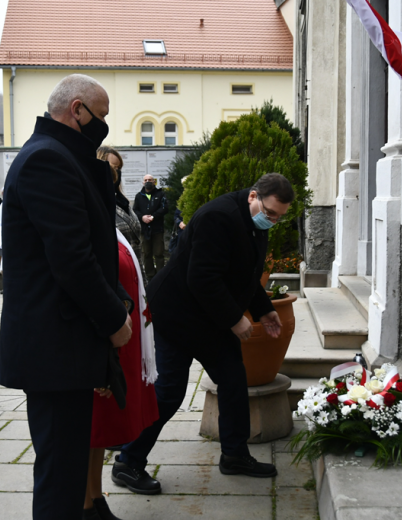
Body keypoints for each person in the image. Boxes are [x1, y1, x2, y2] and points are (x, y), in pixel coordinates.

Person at [0, 73, 134, 520]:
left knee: (67, 468)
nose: (104, 126)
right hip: (54, 348)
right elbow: (72, 260)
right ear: (77, 110)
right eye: (101, 116)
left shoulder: (59, 155)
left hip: (62, 345)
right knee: (60, 473)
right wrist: (115, 321)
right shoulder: (47, 160)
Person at [113, 173, 294, 494]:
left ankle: (235, 455)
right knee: (169, 391)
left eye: (279, 217)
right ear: (253, 196)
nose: (273, 221)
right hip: (176, 314)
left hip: (209, 317)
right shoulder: (218, 217)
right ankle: (128, 462)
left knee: (234, 380)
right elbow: (203, 278)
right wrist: (235, 318)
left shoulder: (255, 220)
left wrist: (263, 308)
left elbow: (247, 274)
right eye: (270, 213)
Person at [84, 228, 159, 520]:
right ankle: (84, 506)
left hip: (114, 341)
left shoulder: (106, 215)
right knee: (88, 432)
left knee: (98, 434)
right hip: (96, 344)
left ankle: (94, 498)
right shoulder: (79, 212)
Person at [97, 147, 143, 264]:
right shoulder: (97, 202)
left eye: (119, 168)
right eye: (113, 167)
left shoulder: (122, 201)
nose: (116, 172)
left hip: (135, 271)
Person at [133, 174, 167, 281]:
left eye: (150, 180)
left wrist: (153, 216)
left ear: (154, 182)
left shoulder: (160, 194)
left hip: (157, 229)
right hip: (144, 230)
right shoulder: (139, 196)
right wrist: (142, 217)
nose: (148, 181)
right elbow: (135, 210)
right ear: (143, 182)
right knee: (146, 253)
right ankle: (150, 276)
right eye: (146, 180)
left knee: (159, 253)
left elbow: (164, 208)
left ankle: (161, 276)